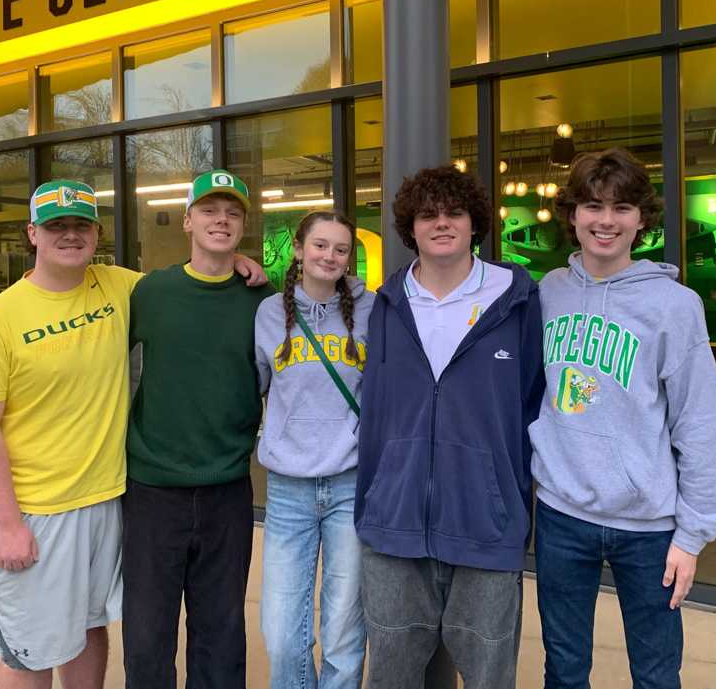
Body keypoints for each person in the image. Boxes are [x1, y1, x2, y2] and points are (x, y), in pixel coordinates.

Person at [0, 178, 264, 689]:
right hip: (38, 508)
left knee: (90, 628)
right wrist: (7, 522)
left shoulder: (120, 286)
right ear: (33, 233)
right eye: (57, 226)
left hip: (106, 499)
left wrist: (241, 266)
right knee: (29, 649)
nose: (70, 236)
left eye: (81, 226)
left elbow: (198, 281)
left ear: (96, 234)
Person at [531, 147, 716, 689]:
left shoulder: (674, 304)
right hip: (560, 514)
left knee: (657, 675)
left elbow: (700, 421)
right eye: (593, 206)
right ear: (572, 215)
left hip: (649, 527)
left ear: (642, 219)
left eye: (621, 208)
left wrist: (692, 535)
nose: (605, 221)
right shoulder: (547, 294)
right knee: (564, 670)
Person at [353, 165, 545, 689]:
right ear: (409, 228)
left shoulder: (517, 300)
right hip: (394, 524)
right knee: (391, 675)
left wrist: (509, 497)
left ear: (474, 222)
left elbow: (532, 401)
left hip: (486, 523)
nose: (441, 223)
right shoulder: (384, 306)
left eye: (453, 212)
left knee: (488, 676)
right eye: (427, 214)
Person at [122, 169, 276, 689]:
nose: (221, 220)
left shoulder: (264, 301)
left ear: (243, 226)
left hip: (227, 489)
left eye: (233, 213)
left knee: (221, 630)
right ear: (188, 220)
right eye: (210, 210)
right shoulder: (151, 293)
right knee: (146, 634)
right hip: (152, 488)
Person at [254, 211, 375, 689]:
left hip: (351, 483)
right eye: (320, 245)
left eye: (341, 249)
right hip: (288, 491)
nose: (330, 256)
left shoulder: (371, 310)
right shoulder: (268, 314)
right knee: (283, 634)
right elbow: (259, 387)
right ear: (300, 249)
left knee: (344, 629)